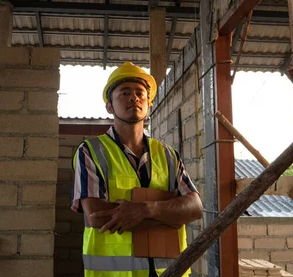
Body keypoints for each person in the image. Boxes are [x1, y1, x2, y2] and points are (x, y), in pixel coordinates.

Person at [71, 62, 203, 277]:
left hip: (169, 271)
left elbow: (195, 208)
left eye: (140, 93)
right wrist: (171, 215)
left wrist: (146, 210)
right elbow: (98, 216)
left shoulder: (168, 155)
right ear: (109, 106)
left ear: (149, 104)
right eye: (124, 93)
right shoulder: (91, 151)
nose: (134, 98)